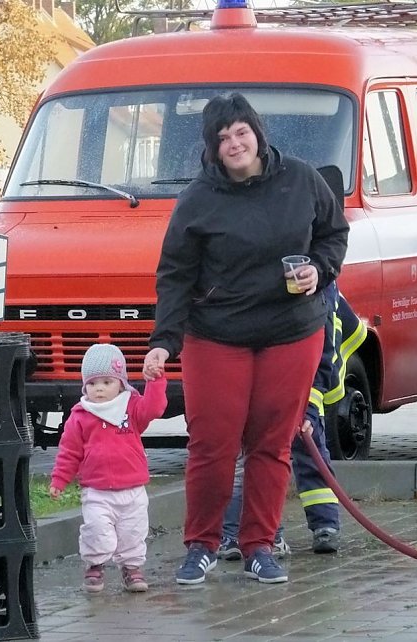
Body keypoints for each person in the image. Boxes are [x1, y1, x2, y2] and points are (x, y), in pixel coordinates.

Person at [142, 93, 349, 585]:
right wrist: (163, 341)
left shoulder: (301, 179)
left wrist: (318, 271)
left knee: (271, 443)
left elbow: (333, 234)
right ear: (211, 149)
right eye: (222, 138)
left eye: (241, 132)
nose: (234, 143)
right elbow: (175, 274)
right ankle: (202, 546)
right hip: (217, 335)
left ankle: (259, 544)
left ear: (257, 132)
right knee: (212, 444)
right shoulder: (197, 199)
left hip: (290, 332)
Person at [218, 283, 367, 559]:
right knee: (258, 458)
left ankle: (325, 524)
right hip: (266, 383)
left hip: (307, 383)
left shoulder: (318, 290)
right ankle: (252, 535)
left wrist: (310, 404)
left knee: (309, 448)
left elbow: (327, 352)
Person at [50, 343, 167, 593]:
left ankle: (132, 568)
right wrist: (59, 480)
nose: (99, 389)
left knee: (132, 532)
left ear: (121, 383)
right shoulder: (80, 416)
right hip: (97, 490)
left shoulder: (132, 407)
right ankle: (95, 565)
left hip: (132, 488)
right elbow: (69, 452)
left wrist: (156, 381)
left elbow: (155, 408)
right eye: (92, 384)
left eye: (106, 382)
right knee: (97, 530)